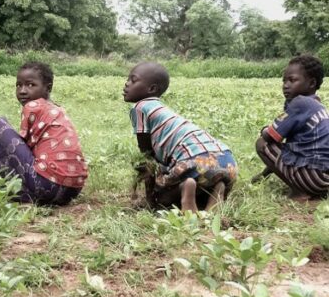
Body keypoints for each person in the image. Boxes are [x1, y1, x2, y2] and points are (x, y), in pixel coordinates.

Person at [123, 62, 237, 212]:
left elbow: (146, 152)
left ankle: (186, 188)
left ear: (152, 89)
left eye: (133, 80)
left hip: (195, 162)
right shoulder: (165, 110)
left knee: (163, 198)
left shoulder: (140, 107)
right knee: (203, 180)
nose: (126, 84)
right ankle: (216, 191)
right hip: (227, 162)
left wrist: (152, 193)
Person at [0, 62, 88, 206]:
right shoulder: (57, 110)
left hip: (46, 184)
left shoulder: (33, 106)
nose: (22, 90)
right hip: (72, 191)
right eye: (18, 85)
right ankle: (9, 189)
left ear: (48, 88)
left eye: (30, 85)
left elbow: (23, 150)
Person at [253, 55, 329, 200]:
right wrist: (263, 176)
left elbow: (270, 137)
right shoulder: (317, 105)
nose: (286, 85)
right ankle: (312, 188)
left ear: (312, 83)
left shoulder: (300, 103)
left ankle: (300, 191)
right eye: (284, 80)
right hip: (324, 178)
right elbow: (285, 151)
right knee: (283, 148)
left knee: (262, 143)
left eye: (292, 80)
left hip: (314, 177)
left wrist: (264, 130)